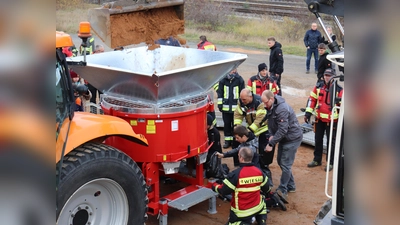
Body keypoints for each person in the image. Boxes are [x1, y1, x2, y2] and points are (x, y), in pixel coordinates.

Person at [261, 90, 303, 203]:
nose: (264, 105)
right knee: (281, 162)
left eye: (265, 102)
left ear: (271, 99)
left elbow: (283, 129)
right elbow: (270, 124)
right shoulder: (271, 107)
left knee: (285, 164)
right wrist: (271, 135)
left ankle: (283, 188)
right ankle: (291, 185)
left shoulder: (282, 109)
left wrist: (271, 143)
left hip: (292, 139)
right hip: (284, 139)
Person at [212, 147, 269, 225]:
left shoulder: (235, 174)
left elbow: (223, 190)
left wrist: (214, 185)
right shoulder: (259, 172)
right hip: (257, 207)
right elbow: (267, 188)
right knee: (262, 201)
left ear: (241, 158)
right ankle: (262, 220)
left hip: (241, 212)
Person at [305, 68, 343, 172]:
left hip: (332, 121)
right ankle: (317, 159)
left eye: (329, 75)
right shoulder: (318, 87)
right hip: (319, 119)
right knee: (318, 140)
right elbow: (312, 100)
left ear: (334, 76)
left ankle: (330, 162)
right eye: (326, 75)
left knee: (331, 143)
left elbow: (342, 107)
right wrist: (308, 113)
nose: (327, 77)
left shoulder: (339, 90)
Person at [247, 63, 278, 185]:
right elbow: (248, 96)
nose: (265, 72)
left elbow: (276, 94)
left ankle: (265, 165)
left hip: (267, 112)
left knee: (265, 144)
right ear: (259, 71)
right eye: (263, 70)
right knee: (253, 143)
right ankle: (255, 163)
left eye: (266, 70)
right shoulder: (252, 80)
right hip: (255, 113)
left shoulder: (271, 81)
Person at [233, 88, 268, 168]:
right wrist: (237, 127)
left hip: (262, 129)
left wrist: (248, 131)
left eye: (244, 99)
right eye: (241, 99)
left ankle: (264, 167)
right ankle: (240, 164)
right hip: (251, 127)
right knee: (238, 143)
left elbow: (260, 119)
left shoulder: (260, 102)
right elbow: (238, 114)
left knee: (263, 148)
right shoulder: (241, 102)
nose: (242, 101)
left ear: (250, 97)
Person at [217, 68, 245, 149]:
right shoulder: (223, 80)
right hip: (225, 108)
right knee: (227, 125)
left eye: (234, 69)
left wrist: (242, 107)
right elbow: (220, 93)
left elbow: (242, 94)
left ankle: (234, 141)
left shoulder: (239, 80)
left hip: (236, 109)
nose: (233, 71)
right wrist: (220, 104)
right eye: (231, 69)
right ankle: (227, 141)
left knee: (235, 125)